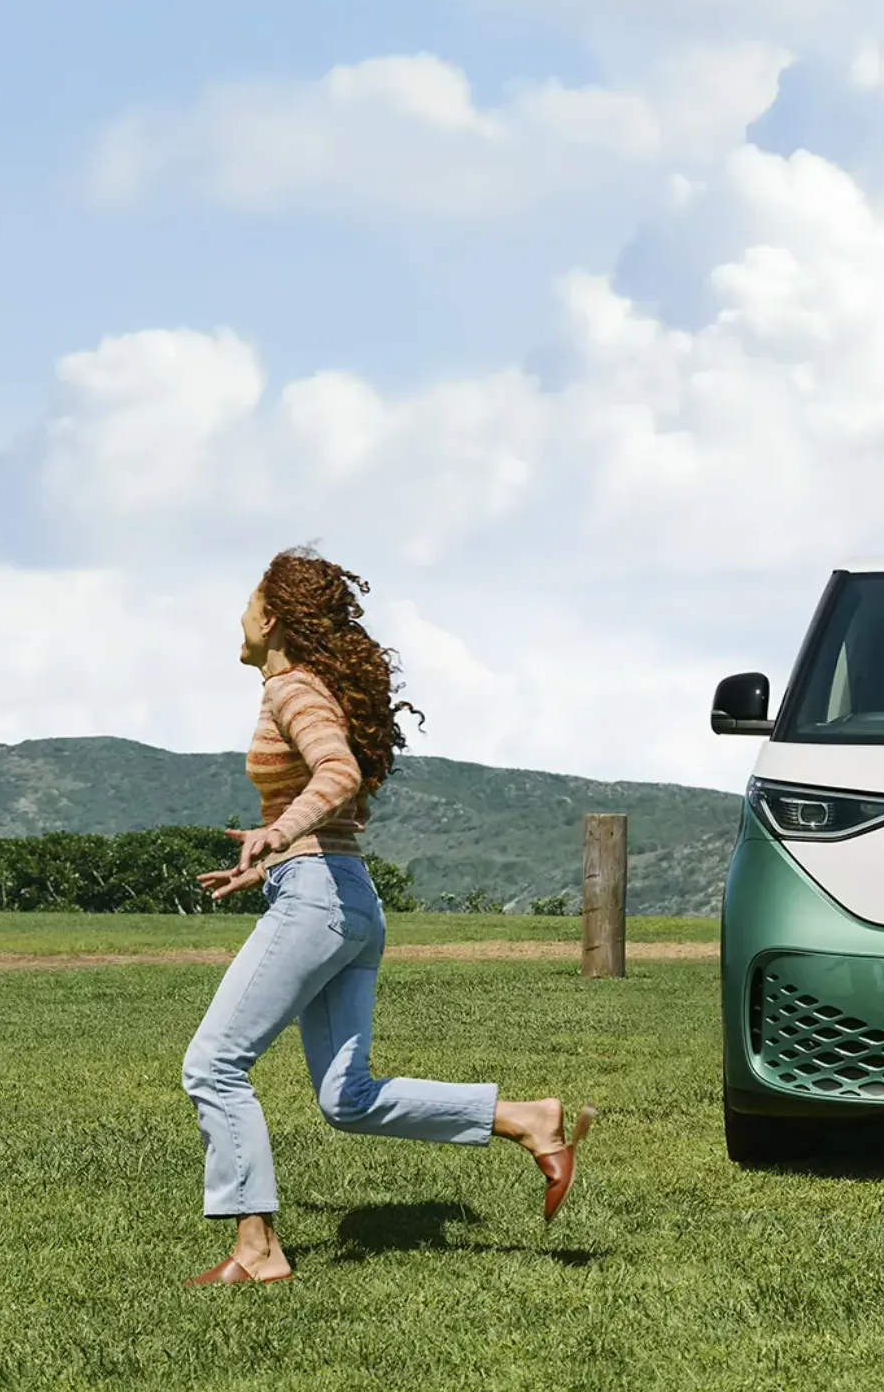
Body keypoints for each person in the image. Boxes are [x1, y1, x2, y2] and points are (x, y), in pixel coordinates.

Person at [181, 548, 594, 1287]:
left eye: (247, 602)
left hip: (319, 899)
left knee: (214, 1065)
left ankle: (258, 1248)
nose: (237, 617)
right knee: (347, 1098)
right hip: (342, 897)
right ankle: (528, 1119)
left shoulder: (294, 690)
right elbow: (336, 812)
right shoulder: (300, 689)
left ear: (271, 619)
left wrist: (279, 835)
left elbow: (338, 774)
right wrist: (268, 856)